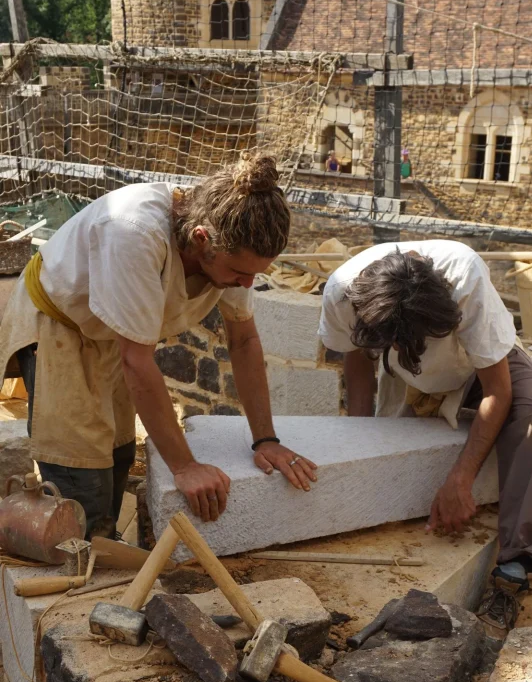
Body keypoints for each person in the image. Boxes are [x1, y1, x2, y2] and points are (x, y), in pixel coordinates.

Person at [0, 152, 317, 539]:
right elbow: (137, 361)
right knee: (79, 469)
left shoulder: (230, 248)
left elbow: (244, 340)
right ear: (201, 240)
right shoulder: (133, 232)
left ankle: (105, 544)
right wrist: (184, 467)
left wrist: (266, 440)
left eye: (254, 274)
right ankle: (80, 559)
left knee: (116, 454)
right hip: (61, 325)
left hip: (109, 334)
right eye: (239, 272)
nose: (247, 284)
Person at [318, 239, 532, 635]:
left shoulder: (464, 276)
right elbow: (356, 355)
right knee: (387, 445)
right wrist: (358, 432)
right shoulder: (342, 293)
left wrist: (460, 479)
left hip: (479, 365)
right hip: (408, 374)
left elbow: (498, 390)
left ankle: (514, 569)